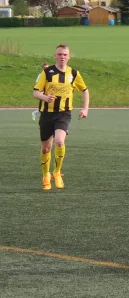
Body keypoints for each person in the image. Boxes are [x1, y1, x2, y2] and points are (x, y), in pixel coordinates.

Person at [33, 45, 89, 190]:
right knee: (46, 149)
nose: (62, 57)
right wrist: (45, 97)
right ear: (55, 56)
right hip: (47, 114)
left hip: (64, 113)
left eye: (65, 54)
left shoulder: (74, 74)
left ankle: (57, 172)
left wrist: (85, 109)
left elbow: (84, 90)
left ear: (69, 56)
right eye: (59, 54)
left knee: (59, 141)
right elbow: (36, 92)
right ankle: (46, 176)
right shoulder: (47, 72)